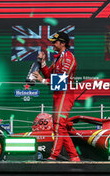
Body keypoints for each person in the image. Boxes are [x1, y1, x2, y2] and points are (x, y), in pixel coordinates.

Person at [33, 31, 80, 161]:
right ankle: (74, 156)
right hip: (58, 95)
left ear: (63, 43)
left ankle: (53, 156)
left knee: (59, 125)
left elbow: (61, 80)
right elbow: (49, 74)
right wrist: (42, 63)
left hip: (66, 94)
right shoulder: (58, 57)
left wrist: (42, 81)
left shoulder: (69, 58)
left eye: (55, 42)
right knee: (59, 127)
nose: (53, 44)